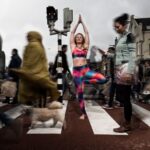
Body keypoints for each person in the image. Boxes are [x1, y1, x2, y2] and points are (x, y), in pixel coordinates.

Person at [70, 15, 107, 120]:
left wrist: (82, 23)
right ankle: (83, 113)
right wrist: (77, 23)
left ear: (82, 39)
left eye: (80, 37)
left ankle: (87, 81)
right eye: (77, 37)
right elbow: (72, 33)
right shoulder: (72, 47)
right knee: (80, 94)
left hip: (85, 70)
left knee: (103, 79)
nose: (78, 38)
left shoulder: (85, 47)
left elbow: (86, 33)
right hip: (76, 72)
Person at [11, 31, 60, 105]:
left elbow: (30, 62)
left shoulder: (32, 46)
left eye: (29, 36)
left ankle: (29, 101)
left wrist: (23, 71)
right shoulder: (40, 46)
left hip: (34, 73)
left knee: (25, 83)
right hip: (42, 73)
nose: (27, 37)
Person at [110, 13, 136, 132]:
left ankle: (127, 124)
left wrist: (130, 72)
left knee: (124, 97)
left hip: (126, 68)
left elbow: (132, 54)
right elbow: (118, 54)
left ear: (124, 25)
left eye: (118, 26)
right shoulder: (121, 38)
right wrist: (108, 54)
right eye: (115, 27)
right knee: (121, 97)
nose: (116, 29)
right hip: (119, 68)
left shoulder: (129, 36)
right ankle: (127, 121)